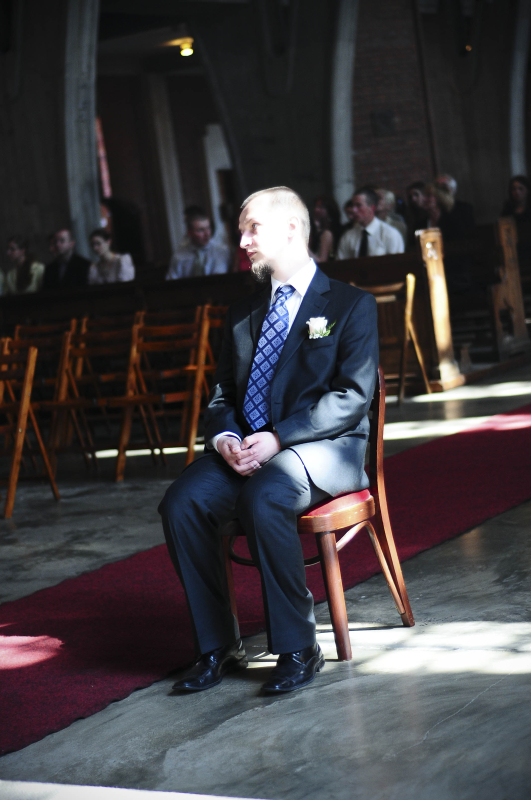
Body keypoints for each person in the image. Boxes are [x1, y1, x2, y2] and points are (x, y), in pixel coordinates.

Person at [159, 186, 378, 695]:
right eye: (241, 231)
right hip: (250, 449)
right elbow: (223, 393)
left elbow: (351, 396)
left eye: (252, 228)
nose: (243, 241)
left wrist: (280, 438)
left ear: (291, 228)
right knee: (182, 503)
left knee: (265, 495)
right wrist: (226, 438)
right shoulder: (243, 312)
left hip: (326, 449)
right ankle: (217, 645)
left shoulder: (350, 304)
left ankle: (299, 646)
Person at [336, 187, 404, 259]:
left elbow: (397, 262)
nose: (354, 210)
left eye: (359, 205)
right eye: (353, 206)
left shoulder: (389, 234)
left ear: (372, 208)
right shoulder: (348, 236)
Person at [166, 211, 231, 280]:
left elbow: (220, 276)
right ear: (189, 233)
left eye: (208, 228)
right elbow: (171, 279)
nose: (207, 234)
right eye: (201, 230)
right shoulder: (179, 255)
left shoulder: (220, 250)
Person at [501, 175, 531, 275]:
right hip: (514, 249)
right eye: (514, 189)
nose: (517, 192)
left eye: (520, 188)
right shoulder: (508, 209)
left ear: (527, 190)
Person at [309, 195, 341, 263]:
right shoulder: (317, 230)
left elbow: (322, 261)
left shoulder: (327, 233)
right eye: (316, 206)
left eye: (321, 207)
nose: (316, 209)